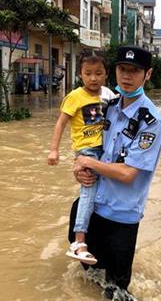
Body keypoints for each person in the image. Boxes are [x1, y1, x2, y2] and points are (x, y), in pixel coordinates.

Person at [69, 45, 161, 301]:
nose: (127, 76)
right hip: (94, 207)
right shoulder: (106, 107)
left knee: (116, 292)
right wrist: (80, 170)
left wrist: (87, 164)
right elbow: (89, 149)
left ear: (148, 74)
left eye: (135, 71)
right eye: (123, 69)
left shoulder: (151, 121)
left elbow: (127, 174)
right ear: (115, 71)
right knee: (88, 277)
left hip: (122, 216)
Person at [48, 50, 116, 265]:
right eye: (88, 73)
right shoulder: (75, 96)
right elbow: (61, 123)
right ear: (80, 74)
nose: (93, 78)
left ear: (106, 74)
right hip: (87, 151)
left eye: (98, 73)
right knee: (88, 190)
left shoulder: (109, 96)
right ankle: (79, 241)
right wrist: (54, 150)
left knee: (103, 194)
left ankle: (100, 238)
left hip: (107, 150)